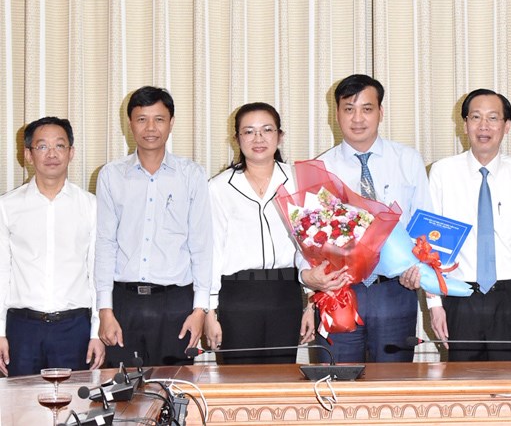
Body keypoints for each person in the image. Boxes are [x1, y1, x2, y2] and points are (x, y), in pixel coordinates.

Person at [402, 88, 511, 361]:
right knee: (463, 382)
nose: (484, 126)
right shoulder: (442, 172)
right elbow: (428, 245)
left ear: (506, 126)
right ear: (465, 124)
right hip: (460, 297)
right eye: (476, 117)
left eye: (493, 118)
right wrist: (434, 304)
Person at [300, 74, 432, 363]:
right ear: (336, 114)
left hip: (396, 289)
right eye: (349, 109)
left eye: (367, 109)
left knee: (394, 383)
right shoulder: (321, 168)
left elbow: (425, 226)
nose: (357, 118)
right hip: (339, 292)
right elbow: (305, 236)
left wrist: (423, 275)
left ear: (380, 112)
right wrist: (310, 287)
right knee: (337, 381)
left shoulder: (407, 160)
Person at [94, 86, 212, 367]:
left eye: (159, 119)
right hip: (124, 303)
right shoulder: (111, 175)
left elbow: (202, 245)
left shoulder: (192, 175)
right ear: (130, 123)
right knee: (121, 389)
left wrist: (200, 309)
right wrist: (105, 309)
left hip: (176, 304)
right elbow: (105, 244)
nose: (150, 128)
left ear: (171, 123)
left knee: (176, 388)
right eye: (142, 119)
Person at [204, 102, 315, 364]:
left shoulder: (299, 180)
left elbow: (311, 245)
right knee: (238, 380)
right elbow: (212, 251)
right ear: (236, 138)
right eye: (249, 131)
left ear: (280, 135)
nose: (258, 138)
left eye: (267, 130)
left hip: (286, 294)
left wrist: (312, 302)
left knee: (281, 380)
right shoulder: (219, 187)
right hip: (237, 297)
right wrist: (210, 312)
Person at [0, 117, 105, 376]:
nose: (52, 154)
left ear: (71, 152)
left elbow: (96, 272)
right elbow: (2, 272)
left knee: (74, 401)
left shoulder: (90, 206)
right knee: (20, 401)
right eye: (42, 146)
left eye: (59, 145)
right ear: (28, 154)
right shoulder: (7, 206)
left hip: (74, 328)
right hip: (22, 329)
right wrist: (0, 332)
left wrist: (96, 332)